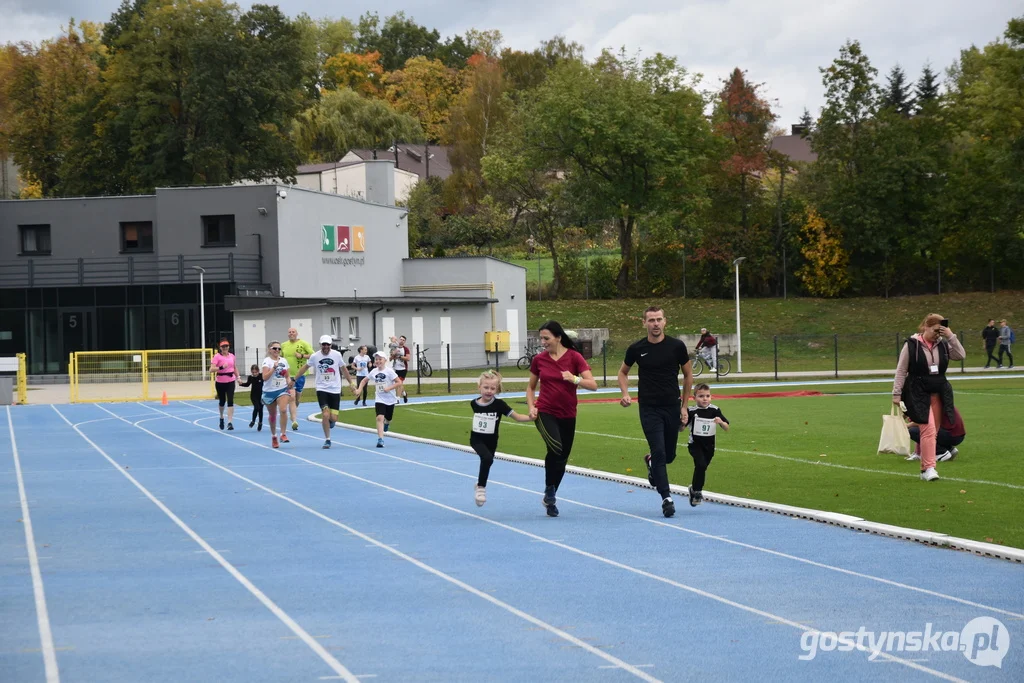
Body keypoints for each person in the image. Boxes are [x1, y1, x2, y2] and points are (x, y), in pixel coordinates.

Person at [618, 306, 694, 518]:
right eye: (651, 320)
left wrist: (684, 405)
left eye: (659, 319)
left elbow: (688, 375)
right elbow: (623, 373)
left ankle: (651, 461)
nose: (655, 323)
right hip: (649, 408)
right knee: (660, 451)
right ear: (644, 323)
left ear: (665, 322)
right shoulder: (636, 348)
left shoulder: (676, 346)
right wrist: (625, 393)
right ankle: (666, 498)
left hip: (672, 406)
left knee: (668, 455)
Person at [526, 320, 597, 517]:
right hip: (545, 411)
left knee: (562, 458)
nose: (543, 342)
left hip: (568, 414)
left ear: (558, 337)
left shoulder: (574, 357)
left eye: (546, 338)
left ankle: (550, 495)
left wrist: (574, 379)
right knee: (555, 447)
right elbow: (530, 388)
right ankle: (550, 491)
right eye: (541, 338)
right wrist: (532, 407)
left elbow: (593, 384)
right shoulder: (539, 360)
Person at [892, 313, 966, 481]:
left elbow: (960, 355)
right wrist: (896, 393)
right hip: (917, 393)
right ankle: (929, 468)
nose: (936, 334)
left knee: (933, 433)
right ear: (925, 326)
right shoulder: (912, 345)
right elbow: (901, 370)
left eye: (940, 331)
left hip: (938, 393)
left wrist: (950, 336)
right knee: (928, 429)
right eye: (934, 330)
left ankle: (925, 468)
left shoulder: (943, 345)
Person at [469, 371, 532, 506]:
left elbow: (518, 417)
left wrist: (531, 418)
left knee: (488, 461)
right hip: (476, 439)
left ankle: (480, 482)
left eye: (493, 388)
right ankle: (481, 488)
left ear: (497, 389)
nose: (489, 391)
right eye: (486, 387)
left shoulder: (500, 405)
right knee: (487, 458)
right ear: (479, 387)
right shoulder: (473, 403)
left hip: (492, 441)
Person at [294, 336, 356, 449]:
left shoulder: (337, 355)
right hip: (322, 389)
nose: (326, 347)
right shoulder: (315, 356)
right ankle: (327, 439)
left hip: (335, 389)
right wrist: (295, 379)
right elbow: (305, 367)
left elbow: (344, 369)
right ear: (320, 344)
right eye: (324, 345)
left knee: (333, 418)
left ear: (331, 345)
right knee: (325, 414)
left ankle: (331, 422)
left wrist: (351, 383)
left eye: (328, 344)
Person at [685, 384, 730, 507]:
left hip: (709, 446)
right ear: (694, 398)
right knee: (701, 464)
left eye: (707, 396)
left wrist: (721, 422)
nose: (705, 399)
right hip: (695, 444)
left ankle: (693, 489)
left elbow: (727, 427)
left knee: (701, 468)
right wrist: (682, 421)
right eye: (701, 396)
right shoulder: (692, 411)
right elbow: (681, 428)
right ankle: (698, 491)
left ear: (711, 397)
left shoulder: (715, 410)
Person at [356, 351, 402, 448]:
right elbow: (364, 380)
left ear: (385, 360)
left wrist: (389, 388)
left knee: (388, 418)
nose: (378, 361)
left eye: (380, 359)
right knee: (379, 418)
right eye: (376, 359)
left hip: (390, 399)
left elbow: (399, 382)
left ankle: (387, 422)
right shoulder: (374, 371)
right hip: (379, 398)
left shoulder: (389, 371)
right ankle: (380, 439)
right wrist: (359, 389)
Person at [261, 341, 294, 449]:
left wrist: (289, 383)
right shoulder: (267, 361)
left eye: (279, 349)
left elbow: (287, 376)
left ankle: (283, 434)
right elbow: (264, 377)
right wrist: (274, 368)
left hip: (282, 389)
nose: (277, 351)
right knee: (273, 415)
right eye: (274, 348)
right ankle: (274, 436)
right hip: (269, 392)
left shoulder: (284, 361)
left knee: (283, 409)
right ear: (270, 350)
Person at [281, 327, 313, 431]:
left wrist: (302, 355)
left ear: (297, 333)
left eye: (293, 332)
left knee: (297, 398)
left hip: (300, 375)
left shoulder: (303, 343)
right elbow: (280, 357)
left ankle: (293, 411)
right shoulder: (284, 345)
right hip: (287, 375)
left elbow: (313, 355)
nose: (291, 334)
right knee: (292, 397)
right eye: (289, 332)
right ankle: (294, 420)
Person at [209, 339, 238, 430]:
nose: (225, 348)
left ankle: (230, 422)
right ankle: (221, 417)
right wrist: (221, 367)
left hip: (231, 380)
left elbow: (234, 367)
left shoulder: (232, 356)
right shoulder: (217, 357)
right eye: (223, 346)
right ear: (220, 348)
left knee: (230, 400)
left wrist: (239, 377)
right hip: (220, 381)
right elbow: (211, 369)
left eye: (226, 346)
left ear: (229, 347)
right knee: (222, 401)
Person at [238, 364, 264, 430]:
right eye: (253, 372)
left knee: (260, 409)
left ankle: (260, 422)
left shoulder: (262, 376)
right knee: (256, 407)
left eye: (256, 372)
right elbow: (247, 384)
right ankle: (253, 421)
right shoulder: (250, 377)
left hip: (261, 396)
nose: (254, 374)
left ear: (258, 371)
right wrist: (241, 384)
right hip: (253, 396)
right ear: (251, 372)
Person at [392, 335, 411, 403]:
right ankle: (404, 394)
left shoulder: (406, 349)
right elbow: (391, 358)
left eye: (403, 340)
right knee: (398, 383)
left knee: (399, 383)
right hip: (395, 368)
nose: (401, 341)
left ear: (405, 341)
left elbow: (408, 358)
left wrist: (400, 356)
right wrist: (393, 354)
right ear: (398, 340)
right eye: (401, 339)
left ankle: (398, 399)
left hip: (403, 369)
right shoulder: (395, 348)